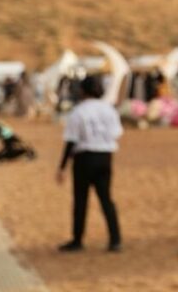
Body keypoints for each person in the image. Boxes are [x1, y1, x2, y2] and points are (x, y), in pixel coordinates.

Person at [56, 75, 123, 252]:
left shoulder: (78, 111)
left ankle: (77, 239)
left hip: (84, 158)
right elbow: (116, 133)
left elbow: (71, 140)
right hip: (105, 157)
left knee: (80, 200)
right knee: (106, 199)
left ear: (83, 90)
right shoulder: (109, 110)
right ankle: (115, 239)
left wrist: (62, 166)